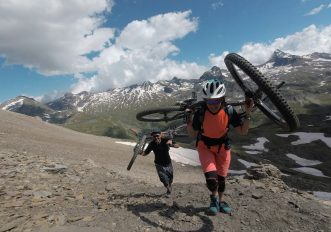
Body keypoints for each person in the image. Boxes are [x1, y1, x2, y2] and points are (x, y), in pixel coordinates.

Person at [186, 78, 253, 216]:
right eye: (210, 101)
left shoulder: (229, 110)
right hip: (205, 147)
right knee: (211, 179)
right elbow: (192, 134)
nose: (213, 104)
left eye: (216, 100)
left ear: (223, 99)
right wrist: (188, 119)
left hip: (223, 147)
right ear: (205, 101)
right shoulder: (201, 112)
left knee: (221, 180)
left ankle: (220, 201)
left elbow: (243, 131)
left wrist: (248, 114)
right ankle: (214, 199)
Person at [140, 129, 179, 195]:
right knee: (163, 178)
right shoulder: (152, 144)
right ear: (152, 137)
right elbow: (145, 153)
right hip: (159, 164)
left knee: (170, 179)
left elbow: (177, 145)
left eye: (157, 136)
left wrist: (171, 144)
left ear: (160, 135)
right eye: (154, 136)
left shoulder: (166, 140)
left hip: (168, 163)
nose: (156, 137)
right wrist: (140, 152)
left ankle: (169, 186)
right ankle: (168, 189)